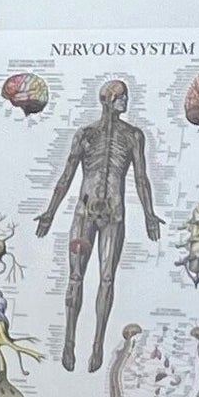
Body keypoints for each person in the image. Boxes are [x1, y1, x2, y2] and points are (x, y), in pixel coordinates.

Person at [34, 78, 161, 374]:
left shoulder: (133, 136)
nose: (126, 102)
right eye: (122, 97)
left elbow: (141, 178)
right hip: (85, 212)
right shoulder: (86, 134)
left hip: (114, 214)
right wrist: (50, 213)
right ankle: (68, 342)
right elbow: (66, 175)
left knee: (106, 279)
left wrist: (149, 215)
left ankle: (97, 344)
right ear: (109, 99)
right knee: (75, 278)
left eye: (126, 97)